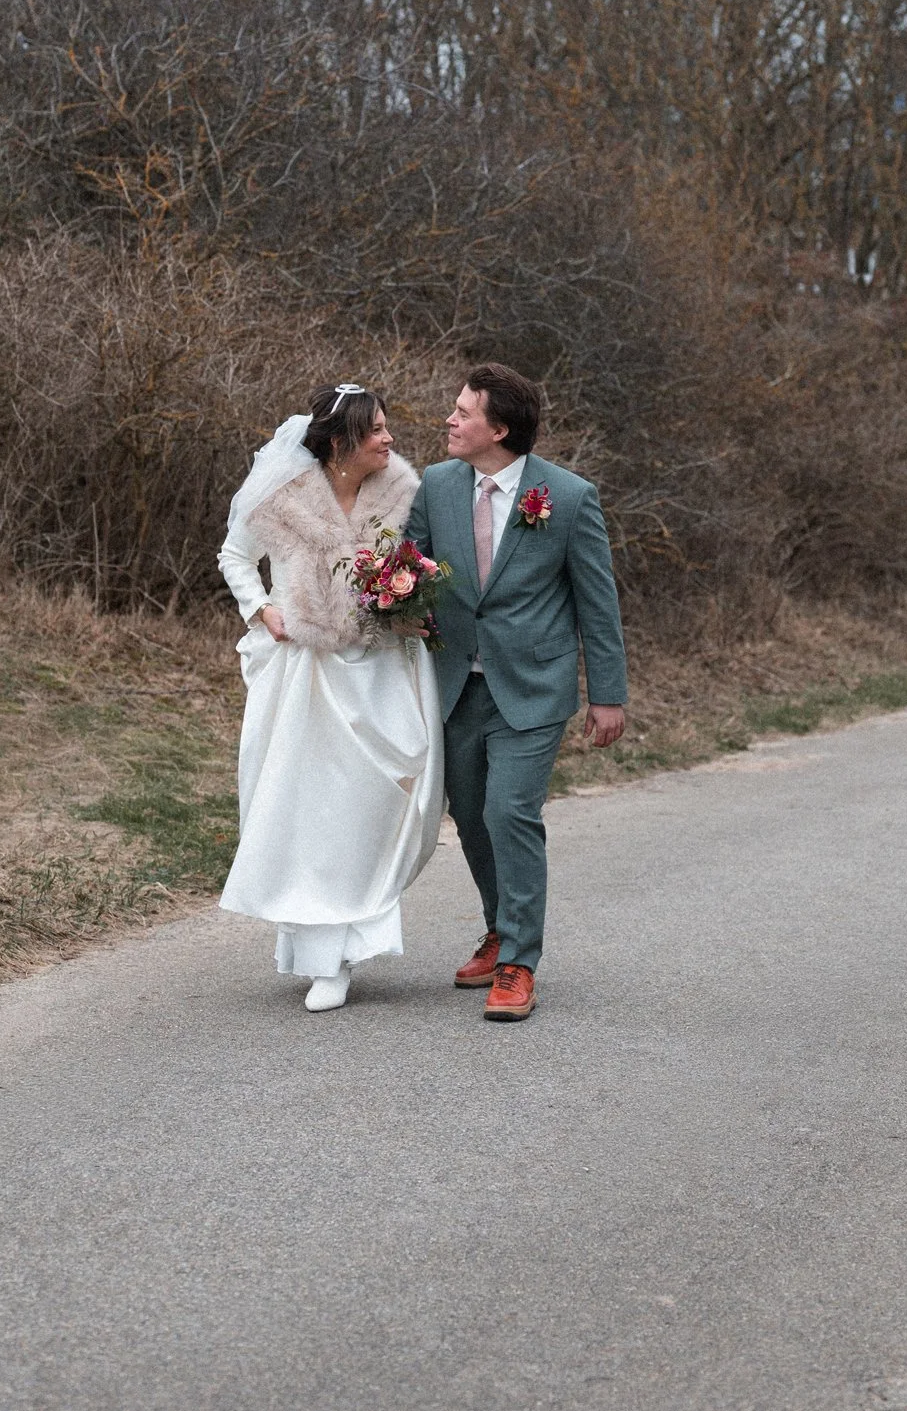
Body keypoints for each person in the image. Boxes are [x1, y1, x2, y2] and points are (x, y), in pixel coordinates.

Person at [404, 362, 627, 1022]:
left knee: (509, 812)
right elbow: (409, 566)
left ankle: (518, 962)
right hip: (453, 685)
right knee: (472, 815)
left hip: (533, 686)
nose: (449, 420)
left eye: (463, 412)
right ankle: (500, 927)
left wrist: (607, 694)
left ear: (498, 429)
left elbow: (597, 604)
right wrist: (392, 603)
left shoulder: (569, 497)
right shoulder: (436, 485)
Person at [216, 384, 445, 1011]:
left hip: (384, 670)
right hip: (306, 675)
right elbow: (235, 556)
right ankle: (325, 959)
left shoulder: (403, 493)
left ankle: (360, 931)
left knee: (375, 808)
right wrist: (263, 609)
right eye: (377, 430)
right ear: (342, 442)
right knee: (311, 813)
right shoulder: (281, 497)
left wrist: (413, 598)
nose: (389, 439)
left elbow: (423, 563)